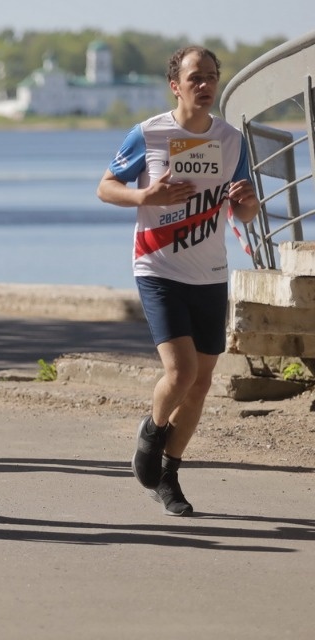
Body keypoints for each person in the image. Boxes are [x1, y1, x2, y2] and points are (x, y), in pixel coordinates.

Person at [97, 46, 259, 516]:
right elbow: (105, 187)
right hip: (158, 267)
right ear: (176, 85)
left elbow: (244, 213)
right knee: (181, 372)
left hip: (209, 274)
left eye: (212, 77)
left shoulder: (231, 140)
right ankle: (151, 430)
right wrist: (147, 193)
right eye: (195, 78)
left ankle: (170, 474)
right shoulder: (149, 134)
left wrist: (245, 199)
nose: (205, 86)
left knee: (203, 383)